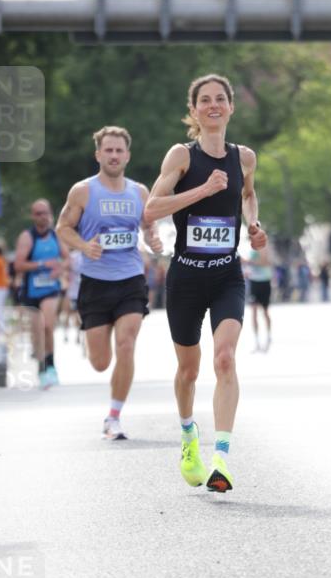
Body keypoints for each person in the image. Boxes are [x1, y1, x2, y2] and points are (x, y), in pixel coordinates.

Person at [143, 73, 267, 493]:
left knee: (226, 359)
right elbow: (151, 208)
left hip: (227, 274)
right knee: (188, 369)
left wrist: (254, 224)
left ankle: (223, 459)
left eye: (220, 99)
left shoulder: (244, 158)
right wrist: (202, 190)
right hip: (186, 277)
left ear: (231, 107)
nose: (213, 105)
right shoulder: (182, 155)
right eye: (204, 100)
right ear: (194, 111)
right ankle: (188, 436)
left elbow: (248, 195)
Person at [56, 125, 162, 439]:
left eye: (119, 150)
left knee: (127, 345)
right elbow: (63, 227)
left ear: (127, 155)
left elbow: (148, 227)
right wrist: (84, 245)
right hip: (94, 283)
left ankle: (113, 416)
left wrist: (153, 240)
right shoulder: (83, 191)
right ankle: (103, 362)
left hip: (130, 278)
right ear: (98, 154)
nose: (114, 155)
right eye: (108, 150)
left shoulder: (139, 192)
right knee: (100, 362)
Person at [14, 199, 68, 389]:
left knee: (47, 326)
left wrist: (60, 269)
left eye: (44, 212)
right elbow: (18, 264)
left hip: (51, 290)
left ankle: (51, 366)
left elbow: (68, 259)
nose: (42, 216)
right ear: (32, 216)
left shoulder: (57, 236)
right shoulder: (27, 237)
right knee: (37, 332)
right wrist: (43, 265)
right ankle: (41, 365)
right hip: (31, 291)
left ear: (50, 214)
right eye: (37, 213)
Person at [246, 243, 273, 352]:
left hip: (264, 282)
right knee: (254, 312)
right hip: (254, 281)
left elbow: (265, 262)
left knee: (265, 311)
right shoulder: (251, 247)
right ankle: (256, 341)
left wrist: (249, 261)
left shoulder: (264, 246)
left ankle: (268, 336)